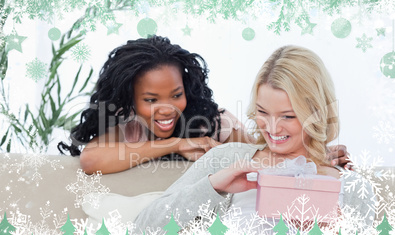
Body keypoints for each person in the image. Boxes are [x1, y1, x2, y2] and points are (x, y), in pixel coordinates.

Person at [134, 45, 374, 230]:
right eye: (262, 112)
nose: (272, 128)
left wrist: (331, 231)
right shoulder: (228, 159)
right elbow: (142, 228)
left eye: (288, 116)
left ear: (316, 114)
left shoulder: (353, 187)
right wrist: (213, 186)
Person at [58, 36, 349, 174]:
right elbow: (91, 160)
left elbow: (266, 154)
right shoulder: (126, 126)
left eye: (176, 95)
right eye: (150, 100)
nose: (167, 109)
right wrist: (176, 144)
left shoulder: (216, 124)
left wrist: (315, 155)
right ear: (130, 99)